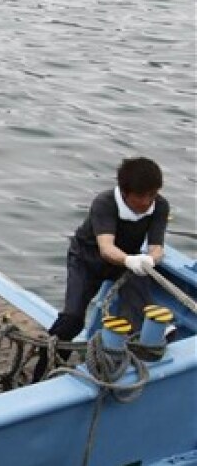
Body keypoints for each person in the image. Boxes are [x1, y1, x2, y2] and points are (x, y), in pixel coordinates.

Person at [34, 156, 170, 380]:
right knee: (73, 319)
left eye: (152, 195)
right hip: (87, 261)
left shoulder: (160, 206)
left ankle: (116, 368)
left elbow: (157, 247)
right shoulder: (105, 203)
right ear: (125, 192)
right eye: (141, 196)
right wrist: (130, 261)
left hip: (126, 263)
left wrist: (150, 260)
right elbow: (106, 248)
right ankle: (44, 368)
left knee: (135, 317)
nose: (147, 202)